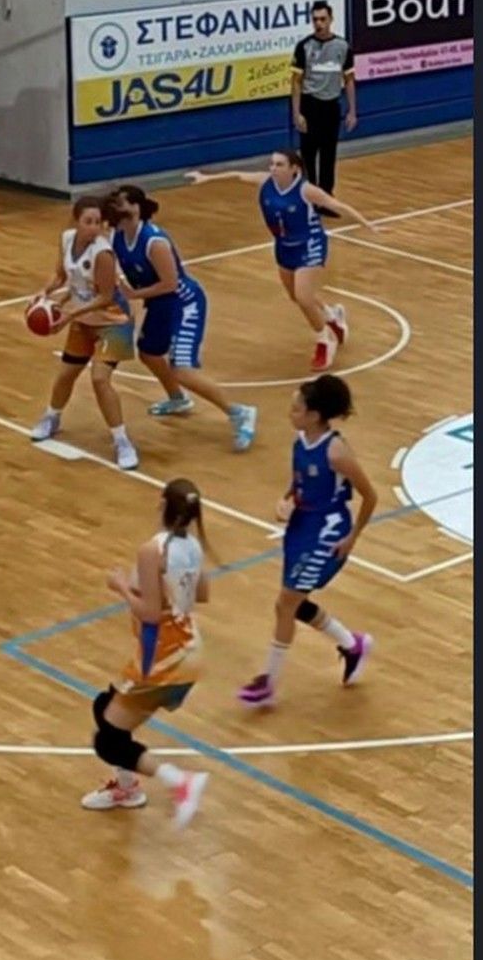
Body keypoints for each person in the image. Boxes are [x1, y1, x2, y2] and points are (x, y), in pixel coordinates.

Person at [79, 478, 214, 826]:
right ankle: (128, 788)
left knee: (108, 742)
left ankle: (180, 782)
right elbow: (202, 594)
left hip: (166, 656)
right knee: (103, 706)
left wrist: (122, 587)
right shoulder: (193, 546)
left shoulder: (153, 550)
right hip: (186, 646)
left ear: (162, 504)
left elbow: (151, 613)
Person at [237, 375, 377, 707]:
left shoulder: (336, 451)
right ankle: (351, 644)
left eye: (296, 409)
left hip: (327, 531)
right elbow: (298, 481)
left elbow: (370, 496)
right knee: (294, 604)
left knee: (286, 604)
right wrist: (285, 500)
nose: (290, 413)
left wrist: (352, 537)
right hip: (302, 524)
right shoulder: (300, 440)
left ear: (314, 415)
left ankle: (268, 682)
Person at [184, 149, 381, 371]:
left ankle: (325, 340)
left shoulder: (305, 190)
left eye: (279, 164)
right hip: (283, 246)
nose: (273, 168)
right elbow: (237, 175)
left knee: (303, 297)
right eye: (272, 164)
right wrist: (207, 178)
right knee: (295, 296)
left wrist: (367, 223)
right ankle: (331, 315)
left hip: (310, 244)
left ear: (294, 168)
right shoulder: (265, 182)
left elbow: (337, 206)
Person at [105, 185, 260, 451]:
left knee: (182, 369)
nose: (117, 208)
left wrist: (134, 294)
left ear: (137, 208)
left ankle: (239, 412)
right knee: (149, 353)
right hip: (159, 303)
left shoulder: (155, 242)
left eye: (121, 203)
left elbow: (170, 283)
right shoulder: (117, 236)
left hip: (184, 303)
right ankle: (178, 398)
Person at [28, 195, 141, 470]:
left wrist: (69, 315)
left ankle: (122, 441)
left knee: (100, 379)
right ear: (75, 221)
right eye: (88, 222)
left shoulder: (102, 253)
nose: (93, 228)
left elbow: (105, 296)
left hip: (114, 321)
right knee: (66, 373)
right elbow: (62, 277)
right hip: (84, 318)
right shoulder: (67, 239)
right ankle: (52, 416)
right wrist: (45, 293)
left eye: (98, 223)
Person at [291, 1, 356, 211]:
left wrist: (352, 111)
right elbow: (296, 82)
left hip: (331, 107)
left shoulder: (342, 47)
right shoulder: (304, 46)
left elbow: (349, 80)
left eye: (322, 19)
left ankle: (326, 200)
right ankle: (309, 199)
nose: (319, 23)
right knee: (308, 156)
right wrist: (297, 113)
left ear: (331, 20)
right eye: (315, 20)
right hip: (310, 105)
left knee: (329, 155)